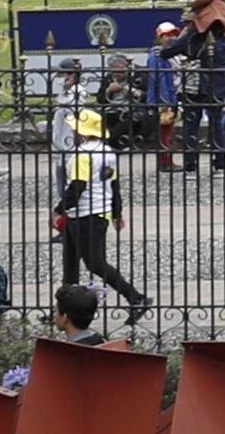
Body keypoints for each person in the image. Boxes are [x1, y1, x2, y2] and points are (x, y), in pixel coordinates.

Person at [52, 105, 152, 325]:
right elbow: (113, 185)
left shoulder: (81, 154)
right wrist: (117, 212)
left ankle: (136, 298)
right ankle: (61, 310)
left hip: (83, 214)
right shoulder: (107, 152)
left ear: (82, 131)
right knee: (71, 264)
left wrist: (58, 210)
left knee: (94, 264)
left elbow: (77, 186)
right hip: (99, 212)